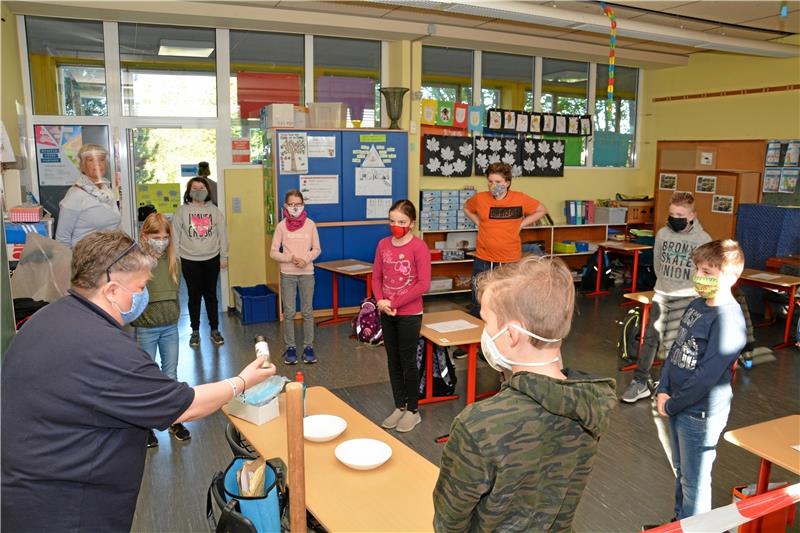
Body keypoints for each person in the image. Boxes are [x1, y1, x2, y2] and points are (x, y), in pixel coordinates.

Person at [1, 230, 275, 533]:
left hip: (25, 494)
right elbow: (183, 406)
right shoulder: (104, 349)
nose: (143, 295)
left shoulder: (47, 318)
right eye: (140, 287)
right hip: (68, 510)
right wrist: (241, 381)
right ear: (112, 290)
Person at [433, 256, 617, 532]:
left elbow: (450, 522)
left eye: (486, 321)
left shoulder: (478, 425)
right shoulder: (590, 404)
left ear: (512, 334)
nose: (484, 331)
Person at [656, 239, 747, 520]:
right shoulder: (697, 304)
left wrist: (672, 405)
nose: (700, 277)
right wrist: (663, 388)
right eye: (698, 269)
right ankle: (680, 522)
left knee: (694, 481)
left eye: (709, 272)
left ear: (731, 277)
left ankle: (694, 527)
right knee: (682, 471)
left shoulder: (729, 320)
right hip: (676, 402)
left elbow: (706, 376)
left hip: (700, 413)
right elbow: (677, 349)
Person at [622, 191, 711, 403]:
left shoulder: (703, 239)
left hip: (687, 296)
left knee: (676, 343)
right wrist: (664, 287)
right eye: (672, 213)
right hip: (662, 293)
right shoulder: (662, 234)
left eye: (680, 214)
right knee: (651, 338)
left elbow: (705, 270)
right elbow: (657, 264)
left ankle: (667, 386)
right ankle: (640, 382)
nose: (675, 218)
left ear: (691, 216)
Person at [461, 162, 547, 360]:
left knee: (505, 305)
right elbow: (467, 208)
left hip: (509, 261)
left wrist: (521, 224)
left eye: (498, 181)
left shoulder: (520, 199)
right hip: (483, 258)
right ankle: (472, 344)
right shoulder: (481, 199)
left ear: (507, 182)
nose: (494, 185)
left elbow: (541, 210)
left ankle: (502, 346)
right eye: (490, 181)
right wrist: (478, 222)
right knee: (477, 301)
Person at [372, 199, 431, 433]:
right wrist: (381, 301)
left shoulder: (419, 248)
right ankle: (400, 405)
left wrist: (394, 302)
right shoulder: (383, 244)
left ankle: (413, 410)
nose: (396, 225)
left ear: (412, 223)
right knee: (392, 360)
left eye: (402, 222)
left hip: (409, 313)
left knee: (408, 362)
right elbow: (376, 277)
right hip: (387, 311)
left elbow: (423, 284)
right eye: (392, 221)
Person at [132, 213, 190, 447]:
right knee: (146, 378)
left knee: (171, 375)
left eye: (166, 236)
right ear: (145, 235)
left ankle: (174, 420)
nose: (162, 240)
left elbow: (174, 292)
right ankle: (145, 426)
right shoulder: (136, 260)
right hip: (146, 328)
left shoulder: (174, 259)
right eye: (156, 236)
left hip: (169, 327)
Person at [173, 176, 228, 347]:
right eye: (194, 188)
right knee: (194, 297)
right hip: (189, 260)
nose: (198, 191)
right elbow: (175, 236)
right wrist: (175, 258)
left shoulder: (215, 211)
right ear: (189, 191)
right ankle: (195, 331)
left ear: (207, 190)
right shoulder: (182, 211)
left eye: (201, 187)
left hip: (212, 259)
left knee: (211, 295)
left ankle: (214, 330)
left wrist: (224, 256)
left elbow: (223, 235)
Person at [270, 189, 321, 365]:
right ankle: (290, 347)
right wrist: (290, 258)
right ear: (285, 206)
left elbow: (317, 249)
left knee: (307, 312)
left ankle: (308, 347)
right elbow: (273, 252)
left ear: (303, 205)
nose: (294, 208)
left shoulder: (311, 225)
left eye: (298, 204)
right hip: (288, 274)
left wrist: (305, 259)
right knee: (289, 312)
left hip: (307, 274)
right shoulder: (281, 226)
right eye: (291, 204)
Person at [55, 143, 121, 247]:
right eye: (91, 160)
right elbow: (62, 239)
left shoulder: (107, 191)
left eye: (101, 160)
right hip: (85, 260)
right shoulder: (75, 196)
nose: (98, 164)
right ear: (82, 166)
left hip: (107, 257)